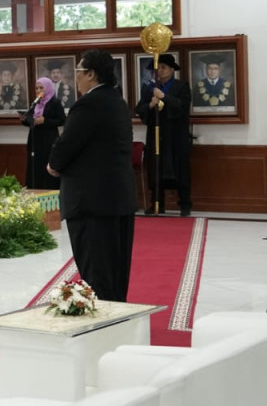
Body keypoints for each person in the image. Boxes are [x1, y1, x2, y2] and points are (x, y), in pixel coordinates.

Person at [47, 49, 135, 302]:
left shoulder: (88, 104)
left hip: (92, 202)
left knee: (97, 269)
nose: (76, 77)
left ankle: (103, 323)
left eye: (78, 71)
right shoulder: (117, 100)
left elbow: (67, 144)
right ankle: (117, 314)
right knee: (116, 267)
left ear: (91, 74)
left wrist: (54, 164)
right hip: (118, 197)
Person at [135, 53, 192, 216]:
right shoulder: (149, 89)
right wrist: (151, 104)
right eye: (158, 68)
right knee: (155, 169)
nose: (160, 71)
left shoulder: (181, 86)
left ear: (172, 70)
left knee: (180, 169)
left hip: (176, 135)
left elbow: (182, 107)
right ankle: (156, 204)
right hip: (156, 135)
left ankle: (185, 204)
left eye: (164, 67)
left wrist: (164, 97)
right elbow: (140, 109)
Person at [22, 77, 65, 189]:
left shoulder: (55, 102)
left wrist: (45, 121)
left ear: (48, 88)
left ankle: (50, 190)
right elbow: (31, 120)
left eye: (41, 88)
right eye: (36, 88)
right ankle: (35, 188)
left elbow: (62, 120)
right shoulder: (36, 102)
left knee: (47, 164)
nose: (38, 90)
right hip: (35, 139)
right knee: (35, 165)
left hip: (48, 139)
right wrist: (25, 120)